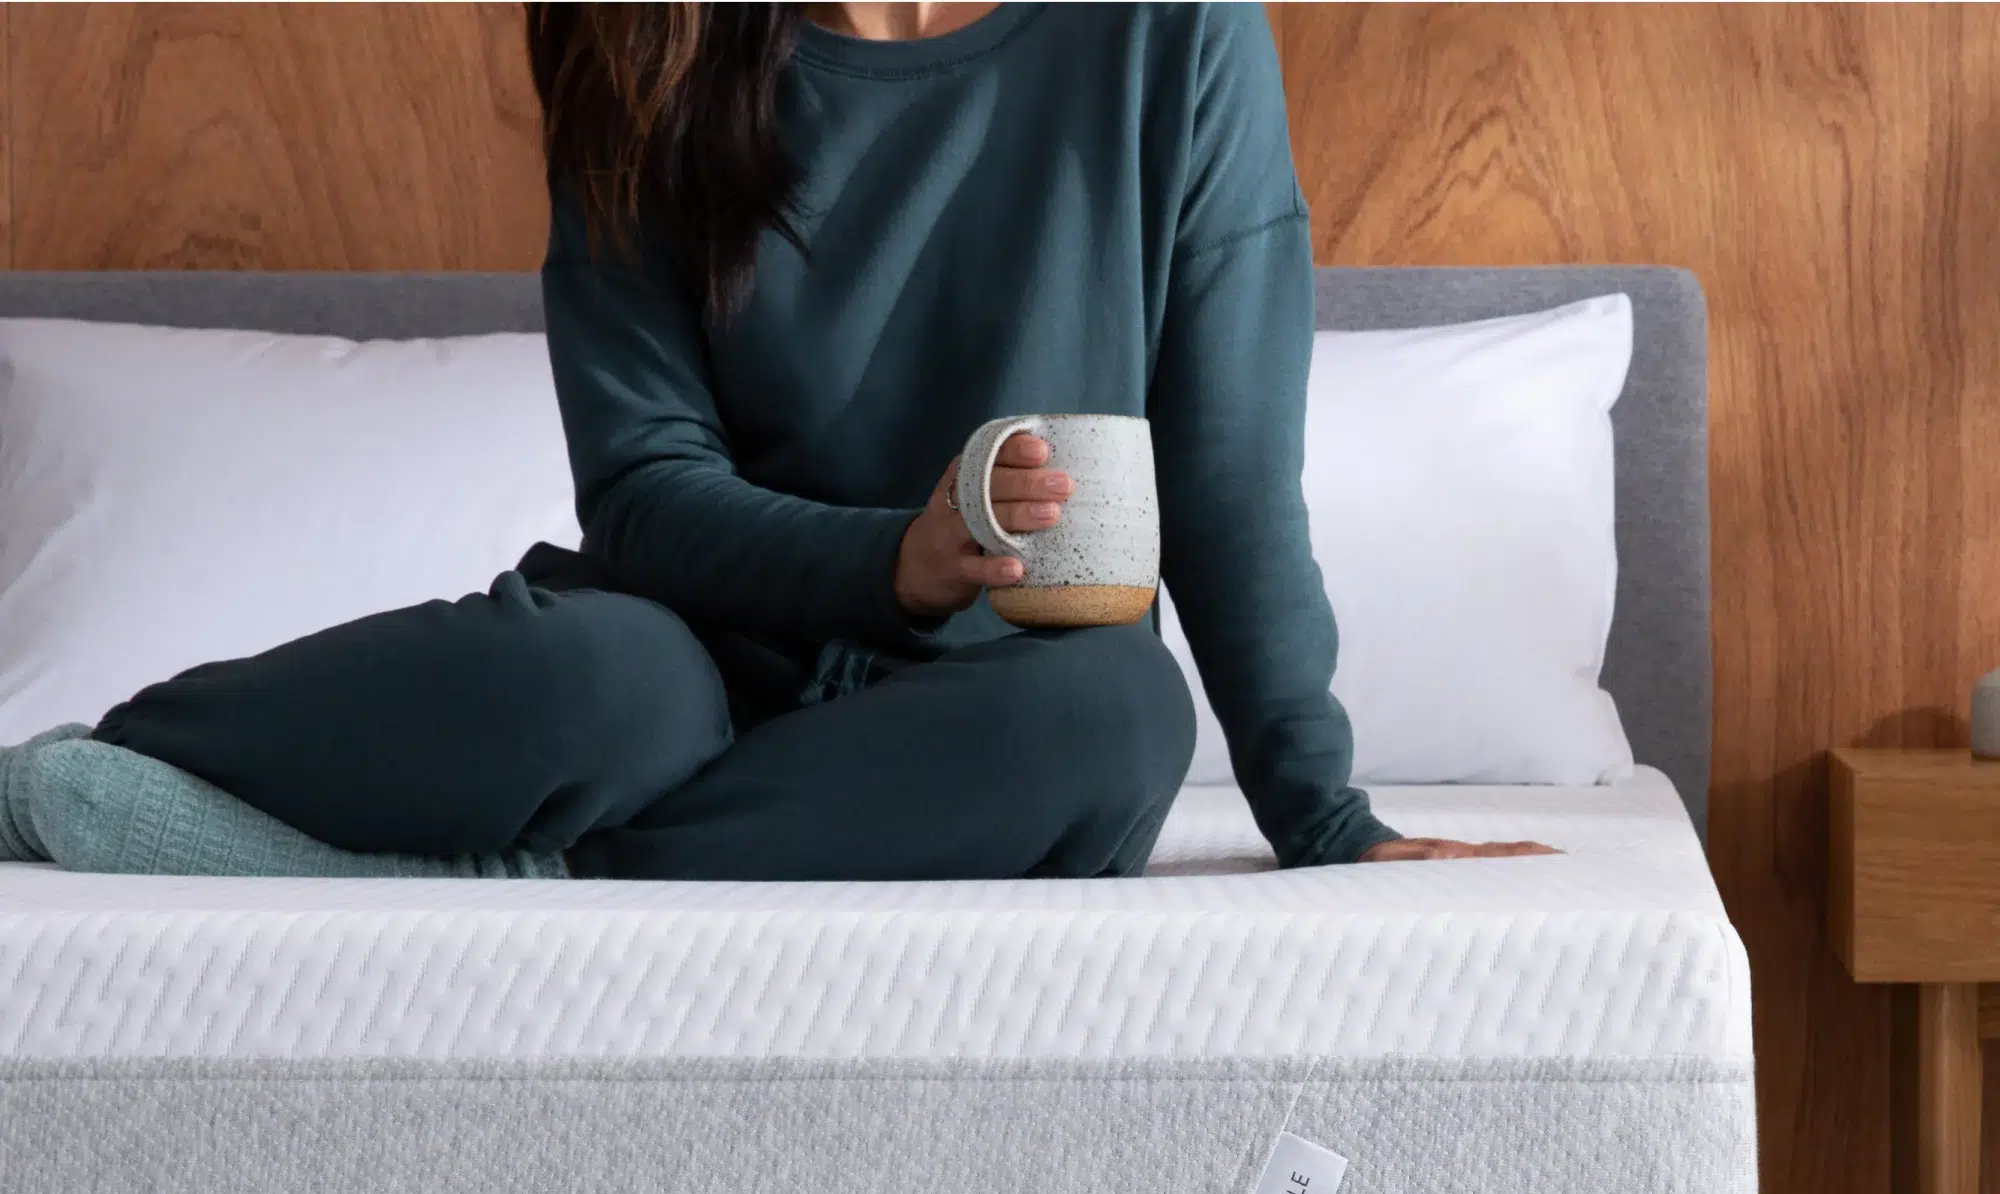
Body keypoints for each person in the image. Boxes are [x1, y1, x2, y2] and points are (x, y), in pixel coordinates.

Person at [0, 1, 1550, 879]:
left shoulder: (1172, 32)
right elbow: (645, 493)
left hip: (977, 716)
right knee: (593, 677)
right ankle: (93, 774)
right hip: (688, 663)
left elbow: (1225, 477)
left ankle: (521, 881)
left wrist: (1330, 821)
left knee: (1118, 715)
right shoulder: (646, 41)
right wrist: (899, 557)